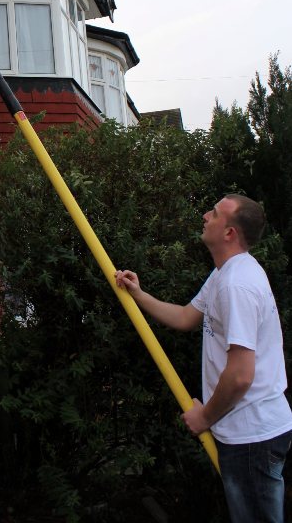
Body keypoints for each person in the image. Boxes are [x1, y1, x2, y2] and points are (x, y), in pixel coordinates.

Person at [116, 194, 292, 523]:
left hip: (252, 436)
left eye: (213, 214)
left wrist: (205, 417)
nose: (204, 216)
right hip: (245, 432)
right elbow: (185, 317)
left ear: (229, 233)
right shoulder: (223, 275)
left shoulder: (237, 285)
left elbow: (241, 375)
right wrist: (138, 294)